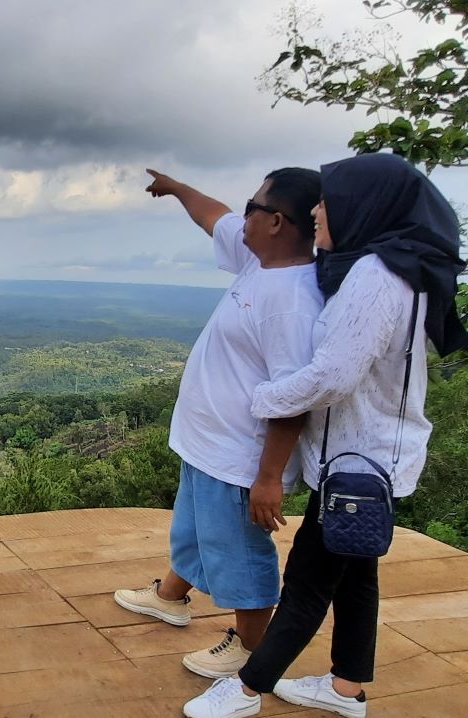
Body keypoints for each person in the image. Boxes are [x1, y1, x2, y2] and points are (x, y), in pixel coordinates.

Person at [182, 152, 468, 718]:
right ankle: (347, 688)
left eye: (328, 201)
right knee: (355, 572)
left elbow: (334, 375)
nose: (318, 212)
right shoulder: (397, 268)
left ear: (363, 207)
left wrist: (262, 400)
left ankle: (246, 690)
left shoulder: (374, 276)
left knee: (310, 579)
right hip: (375, 451)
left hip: (355, 456)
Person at [114, 167, 324, 679]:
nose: (241, 214)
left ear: (276, 221)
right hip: (206, 442)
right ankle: (170, 596)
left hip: (239, 455)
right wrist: (178, 189)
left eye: (251, 206)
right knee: (193, 529)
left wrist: (269, 477)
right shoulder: (260, 261)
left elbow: (294, 397)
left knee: (238, 553)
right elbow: (215, 218)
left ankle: (253, 650)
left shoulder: (292, 303)